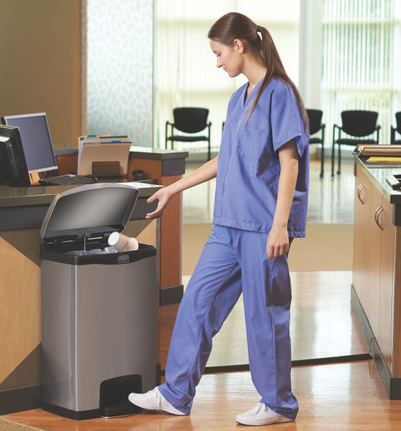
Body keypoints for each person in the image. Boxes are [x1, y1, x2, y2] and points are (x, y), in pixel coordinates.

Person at [128, 11, 310, 427]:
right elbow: (225, 158)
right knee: (197, 302)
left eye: (218, 53)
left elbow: (290, 164)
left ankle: (278, 404)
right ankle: (176, 394)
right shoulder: (239, 96)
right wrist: (175, 188)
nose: (217, 62)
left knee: (263, 315)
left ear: (240, 46)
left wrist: (281, 224)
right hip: (228, 225)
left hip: (262, 225)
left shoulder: (278, 93)